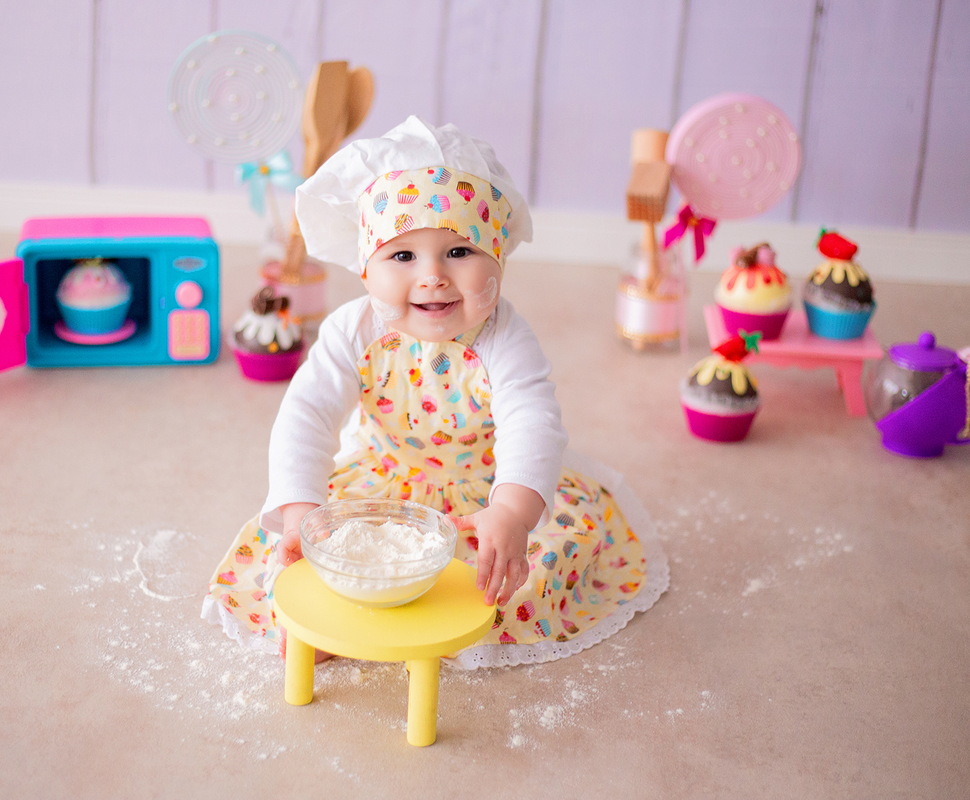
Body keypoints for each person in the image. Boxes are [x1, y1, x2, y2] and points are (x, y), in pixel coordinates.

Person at [202, 116, 667, 668]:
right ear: (365, 269)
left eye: (459, 251)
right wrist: (304, 512)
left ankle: (454, 613)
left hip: (484, 496)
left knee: (519, 571)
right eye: (402, 256)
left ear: (499, 258)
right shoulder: (354, 329)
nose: (433, 277)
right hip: (381, 483)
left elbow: (532, 421)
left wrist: (512, 514)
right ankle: (332, 618)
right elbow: (307, 415)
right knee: (314, 556)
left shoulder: (503, 337)